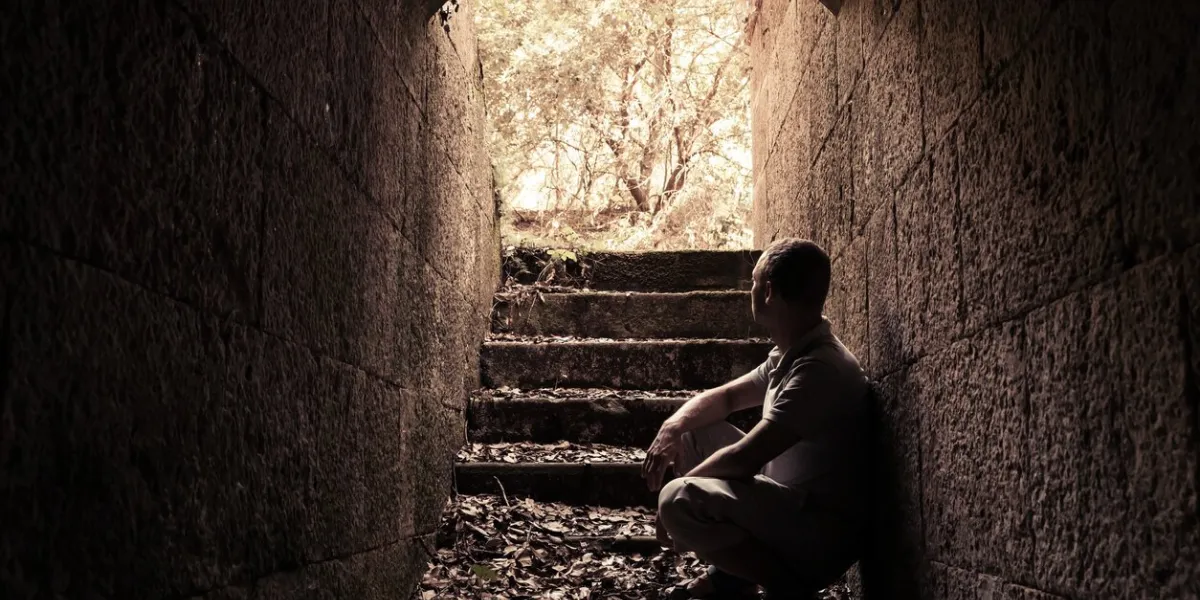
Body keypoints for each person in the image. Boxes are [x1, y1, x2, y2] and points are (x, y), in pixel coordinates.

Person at [643, 238, 870, 599]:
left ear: (768, 291)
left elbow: (746, 457)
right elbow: (728, 397)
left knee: (676, 500)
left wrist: (673, 498)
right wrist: (673, 427)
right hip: (788, 507)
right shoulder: (792, 354)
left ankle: (789, 588)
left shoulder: (819, 369)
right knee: (691, 433)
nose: (749, 290)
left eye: (752, 283)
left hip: (817, 535)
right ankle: (734, 579)